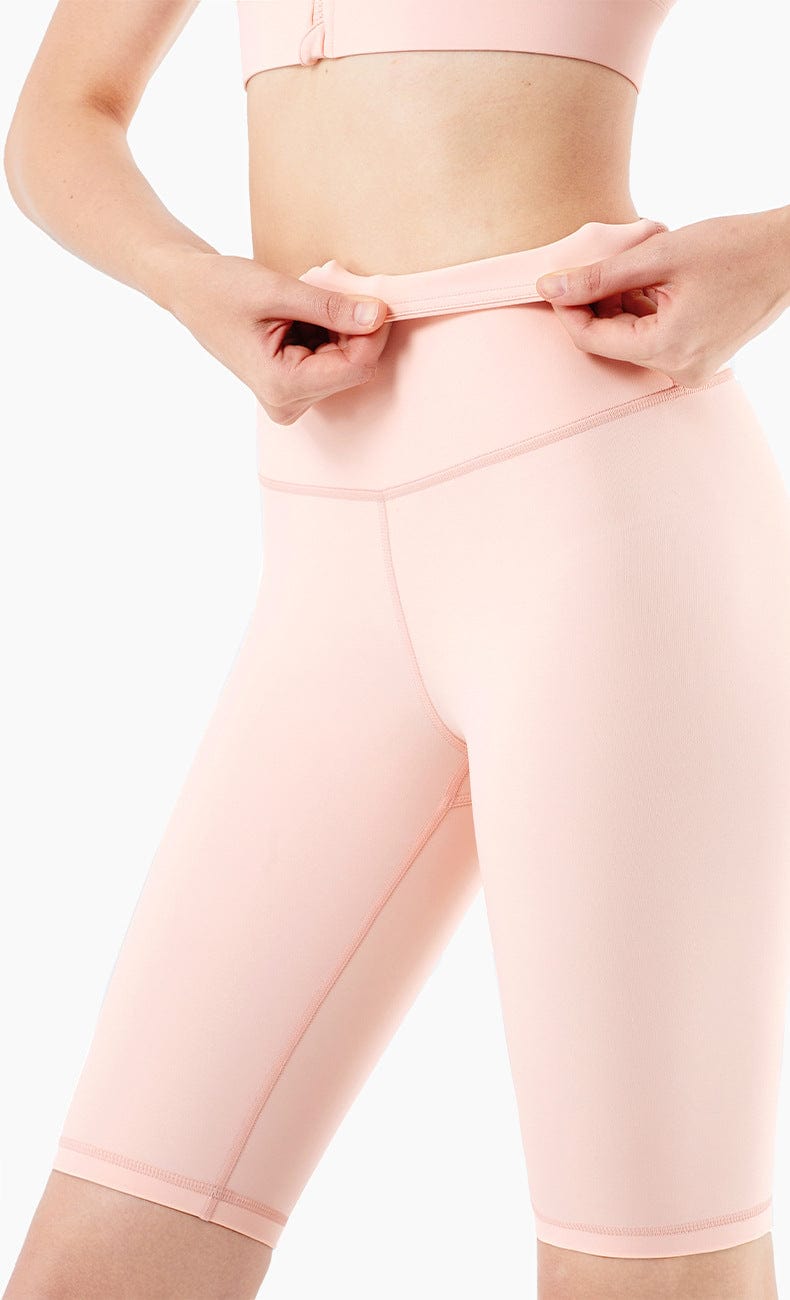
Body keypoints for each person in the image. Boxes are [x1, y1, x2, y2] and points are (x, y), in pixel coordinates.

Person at [4, 2, 790, 1297]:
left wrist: (776, 251)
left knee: (643, 1269)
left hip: (596, 508)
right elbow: (61, 113)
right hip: (318, 540)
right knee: (98, 1261)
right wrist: (184, 277)